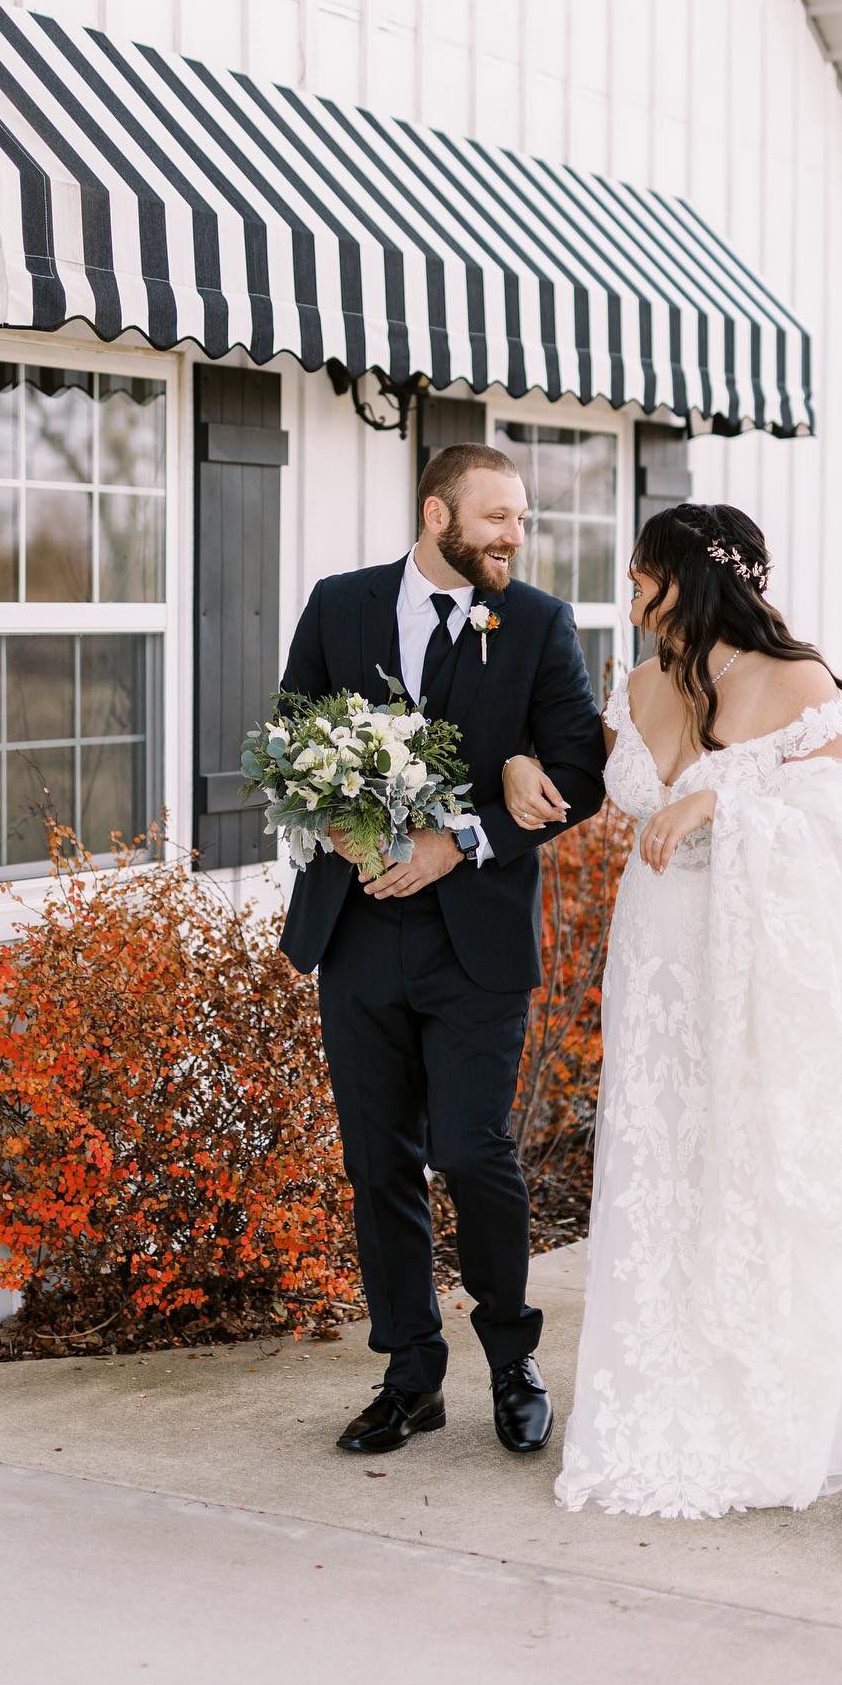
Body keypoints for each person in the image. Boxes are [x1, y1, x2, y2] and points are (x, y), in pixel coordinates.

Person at [502, 501, 842, 1519]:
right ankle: (662, 1382)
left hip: (755, 977)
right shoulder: (642, 683)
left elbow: (840, 829)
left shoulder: (797, 681)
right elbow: (577, 778)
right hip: (656, 964)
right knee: (664, 1160)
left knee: (748, 1159)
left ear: (691, 582)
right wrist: (523, 761)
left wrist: (723, 802)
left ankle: (771, 1396)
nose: (628, 596)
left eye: (641, 577)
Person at [279, 443, 607, 1458]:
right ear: (437, 516)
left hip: (476, 938)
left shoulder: (540, 624)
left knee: (473, 1150)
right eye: (497, 518)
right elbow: (294, 735)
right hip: (357, 926)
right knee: (378, 1160)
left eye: (523, 520)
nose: (516, 536)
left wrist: (461, 839)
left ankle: (513, 1359)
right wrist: (342, 825)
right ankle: (410, 1374)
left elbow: (578, 778)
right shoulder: (339, 605)